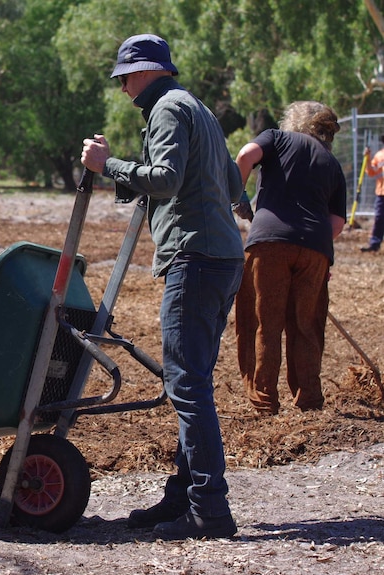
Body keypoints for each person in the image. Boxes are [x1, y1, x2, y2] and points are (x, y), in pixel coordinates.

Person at [80, 34, 244, 540]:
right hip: (221, 258)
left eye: (126, 76)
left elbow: (167, 178)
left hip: (193, 259)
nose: (124, 87)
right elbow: (235, 187)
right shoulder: (199, 109)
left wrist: (106, 165)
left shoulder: (168, 109)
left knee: (188, 386)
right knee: (191, 381)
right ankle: (184, 499)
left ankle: (210, 510)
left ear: (147, 71)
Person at [234, 102, 346, 415]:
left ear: (293, 120)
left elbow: (244, 156)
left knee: (262, 322)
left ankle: (264, 401)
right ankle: (308, 401)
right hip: (315, 250)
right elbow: (336, 224)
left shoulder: (277, 138)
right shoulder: (332, 163)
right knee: (307, 326)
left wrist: (237, 195)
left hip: (269, 242)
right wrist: (318, 252)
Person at [360, 136, 384, 252]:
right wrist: (367, 157)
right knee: (379, 218)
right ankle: (375, 244)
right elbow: (371, 171)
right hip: (381, 193)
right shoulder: (380, 156)